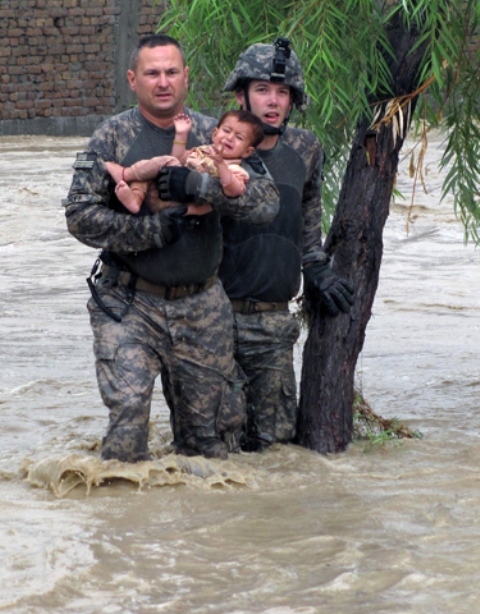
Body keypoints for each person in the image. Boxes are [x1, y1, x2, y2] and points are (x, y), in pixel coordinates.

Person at [64, 34, 279, 463]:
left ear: (186, 78)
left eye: (171, 72)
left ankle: (192, 527)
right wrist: (155, 229)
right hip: (128, 302)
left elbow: (266, 204)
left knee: (208, 441)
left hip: (201, 305)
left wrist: (202, 187)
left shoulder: (219, 134)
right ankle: (123, 520)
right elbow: (79, 215)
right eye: (152, 73)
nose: (163, 82)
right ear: (133, 79)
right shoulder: (109, 137)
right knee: (127, 421)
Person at [218, 38, 355, 451]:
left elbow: (309, 207)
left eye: (282, 93)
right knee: (213, 446)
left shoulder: (306, 148)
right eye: (262, 90)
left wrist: (315, 264)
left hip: (274, 324)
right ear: (242, 95)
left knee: (274, 448)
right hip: (212, 318)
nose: (273, 101)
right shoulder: (214, 148)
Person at [105, 109, 264, 214]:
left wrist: (221, 164)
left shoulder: (237, 169)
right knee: (148, 175)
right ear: (215, 134)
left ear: (248, 151)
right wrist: (181, 135)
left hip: (184, 208)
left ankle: (125, 173)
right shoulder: (203, 151)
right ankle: (135, 199)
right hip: (159, 195)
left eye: (239, 137)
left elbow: (233, 190)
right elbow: (180, 160)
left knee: (167, 161)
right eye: (227, 131)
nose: (229, 138)